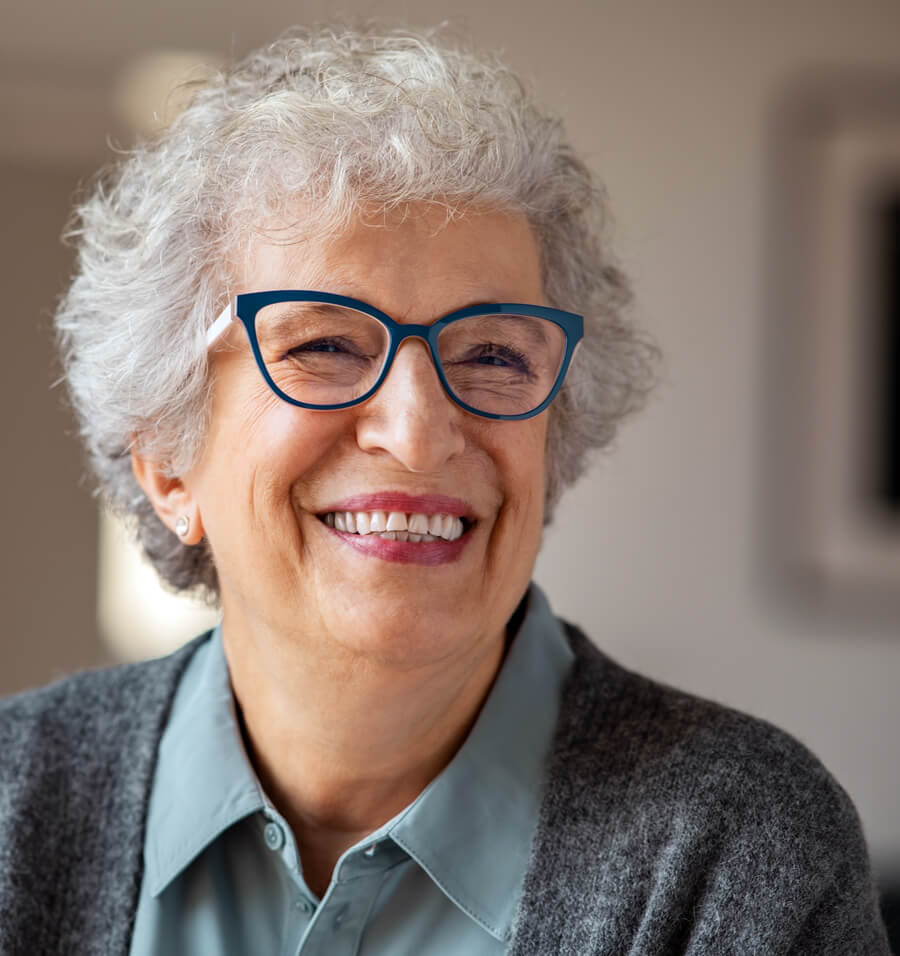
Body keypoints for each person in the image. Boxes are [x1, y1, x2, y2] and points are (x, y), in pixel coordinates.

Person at [0, 24, 890, 956]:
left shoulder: (739, 853)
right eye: (325, 345)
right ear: (167, 461)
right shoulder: (18, 803)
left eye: (495, 354)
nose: (420, 433)